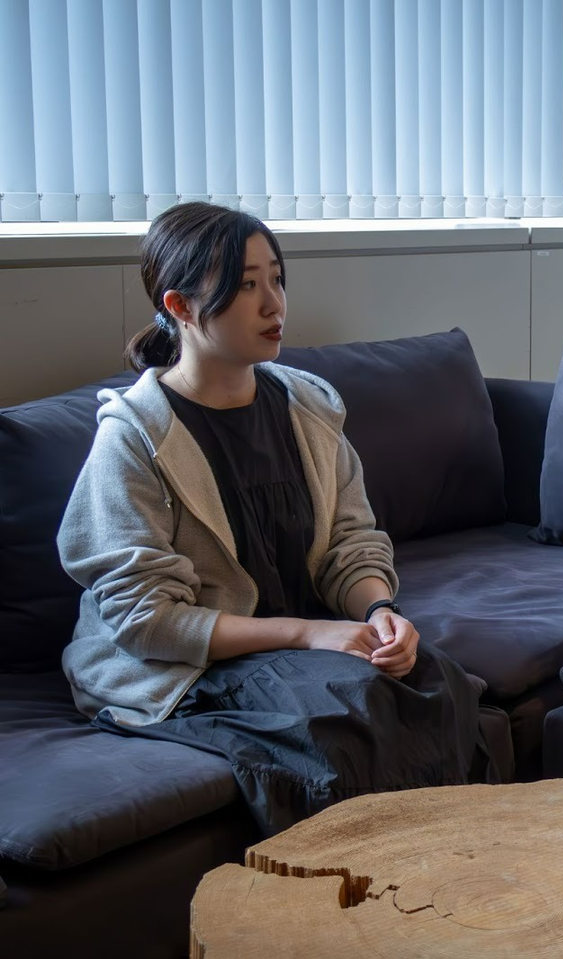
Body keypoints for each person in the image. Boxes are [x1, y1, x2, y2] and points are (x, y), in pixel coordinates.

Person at [59, 201, 492, 835]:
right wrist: (308, 634)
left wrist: (379, 612)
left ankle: (470, 863)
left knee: (440, 681)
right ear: (180, 307)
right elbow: (147, 621)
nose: (274, 305)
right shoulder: (135, 438)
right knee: (346, 710)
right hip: (186, 665)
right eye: (245, 286)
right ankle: (365, 882)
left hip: (299, 645)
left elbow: (352, 542)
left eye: (277, 279)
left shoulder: (308, 407)